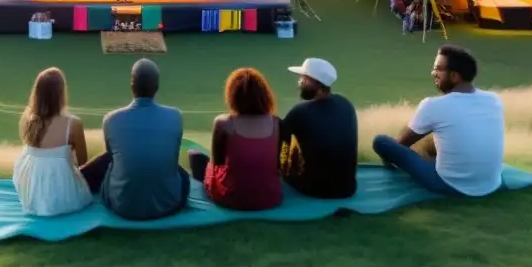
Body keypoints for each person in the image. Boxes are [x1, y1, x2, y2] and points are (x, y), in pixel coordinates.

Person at [373, 45, 504, 197]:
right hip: (491, 183)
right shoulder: (493, 99)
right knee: (437, 140)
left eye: (438, 69)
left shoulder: (433, 105)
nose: (433, 73)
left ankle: (391, 173)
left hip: (449, 185)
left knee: (382, 142)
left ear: (454, 76)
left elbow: (402, 144)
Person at [81, 59, 190, 220]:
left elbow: (111, 159)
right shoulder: (176, 116)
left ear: (132, 86)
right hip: (169, 205)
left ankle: (78, 179)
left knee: (109, 161)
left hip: (122, 206)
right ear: (157, 87)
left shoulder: (111, 120)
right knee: (181, 174)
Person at [187, 68, 283, 210]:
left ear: (232, 96)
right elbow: (276, 162)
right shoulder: (276, 123)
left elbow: (216, 163)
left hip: (230, 198)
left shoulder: (224, 123)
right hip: (269, 198)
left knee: (194, 155)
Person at [12, 68, 93, 216]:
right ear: (61, 93)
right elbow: (83, 162)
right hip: (64, 199)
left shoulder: (27, 119)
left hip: (30, 194)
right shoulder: (73, 123)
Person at [281, 57, 358, 198]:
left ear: (315, 82)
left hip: (315, 190)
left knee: (283, 156)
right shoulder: (346, 103)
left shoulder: (300, 111)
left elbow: (277, 141)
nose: (300, 82)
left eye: (303, 79)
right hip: (348, 188)